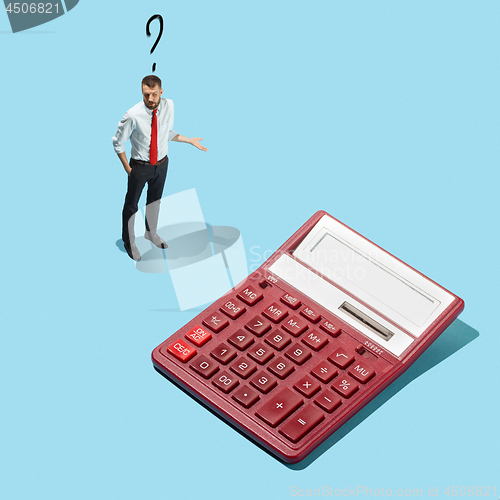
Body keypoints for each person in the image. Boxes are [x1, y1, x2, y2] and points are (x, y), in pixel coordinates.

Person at [112, 75, 207, 261]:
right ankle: (129, 242)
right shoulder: (132, 115)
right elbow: (117, 142)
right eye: (146, 94)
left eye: (154, 94)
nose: (150, 99)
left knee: (155, 201)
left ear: (161, 92)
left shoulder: (169, 105)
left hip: (162, 164)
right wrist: (128, 169)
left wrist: (189, 140)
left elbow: (165, 132)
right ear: (142, 92)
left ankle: (151, 233)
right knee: (131, 206)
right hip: (139, 167)